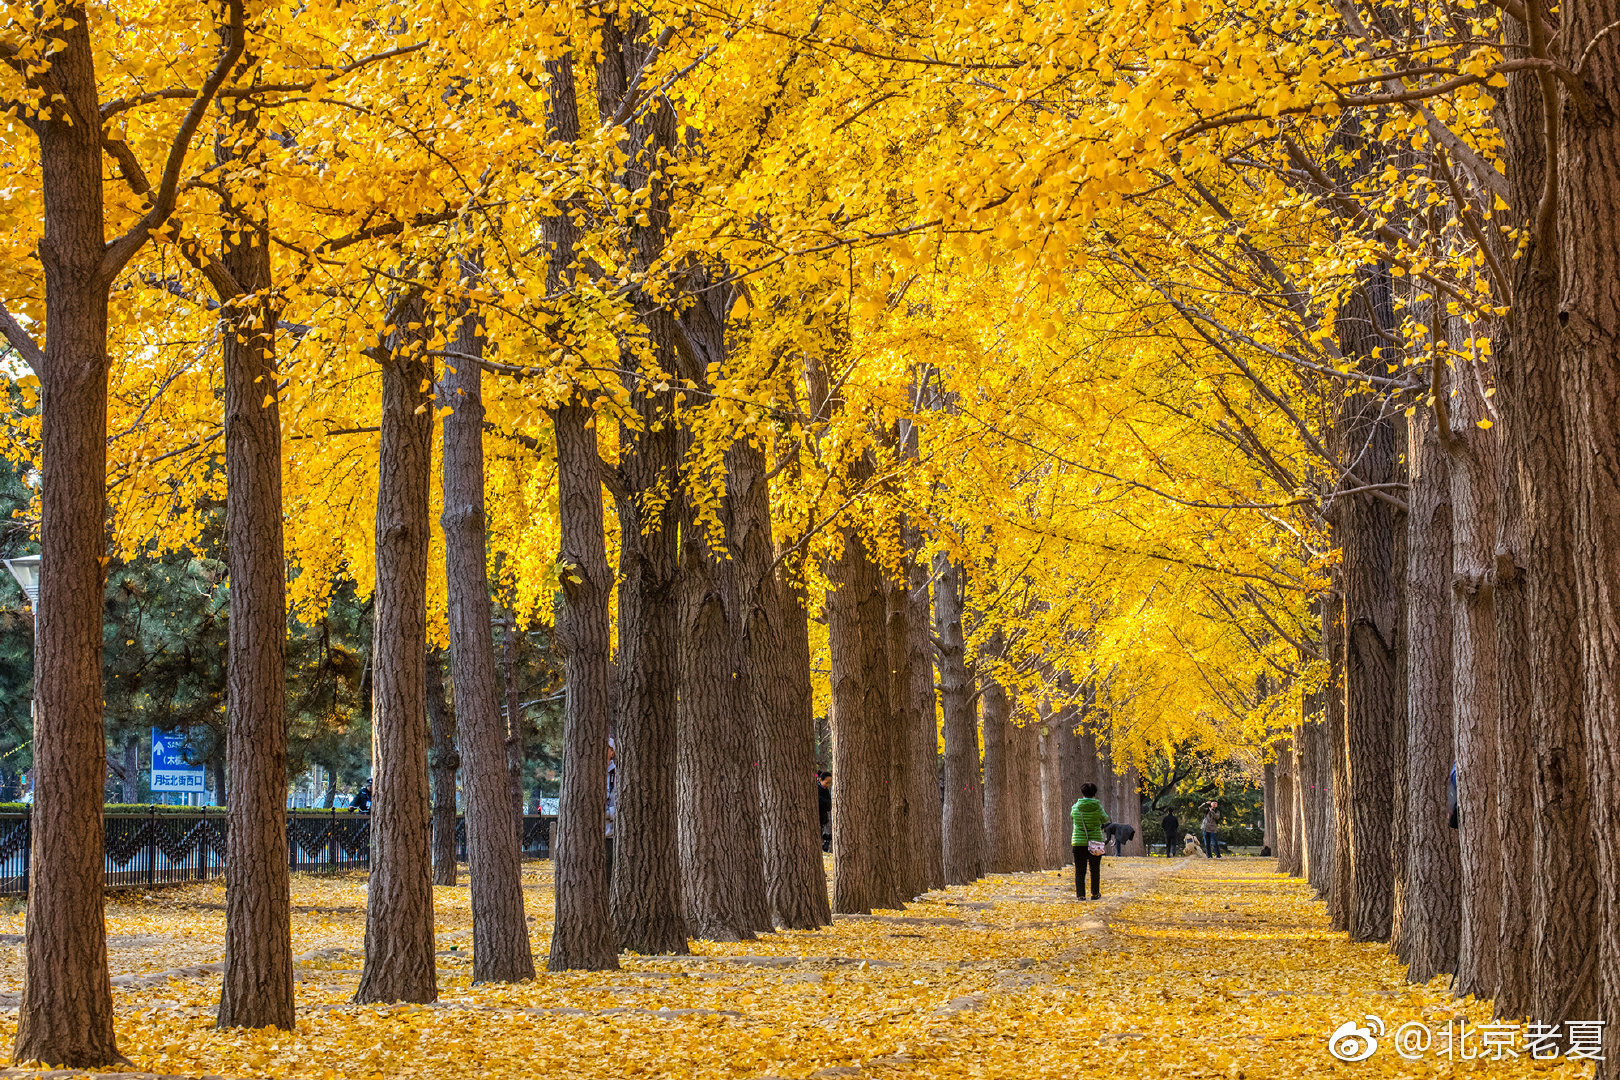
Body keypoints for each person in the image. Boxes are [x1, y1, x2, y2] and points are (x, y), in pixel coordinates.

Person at [1070, 782, 1110, 900]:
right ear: (1094, 794)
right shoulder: (1098, 807)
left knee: (1080, 870)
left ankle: (1081, 895)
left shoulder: (1075, 807)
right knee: (1094, 869)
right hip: (1095, 842)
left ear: (1082, 793)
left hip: (1078, 842)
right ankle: (1095, 893)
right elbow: (1105, 818)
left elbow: (1072, 817)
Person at [605, 738, 618, 877]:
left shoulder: (618, 775)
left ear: (612, 752)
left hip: (613, 838)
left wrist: (607, 813)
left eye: (607, 748)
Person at [817, 772, 833, 853]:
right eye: (826, 783)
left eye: (829, 783)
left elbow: (829, 806)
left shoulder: (826, 791)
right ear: (820, 780)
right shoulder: (816, 789)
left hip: (822, 819)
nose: (827, 785)